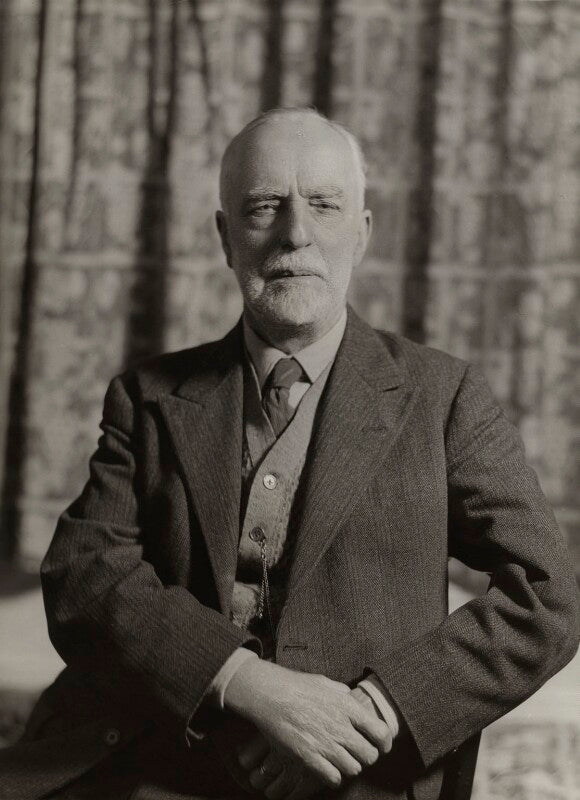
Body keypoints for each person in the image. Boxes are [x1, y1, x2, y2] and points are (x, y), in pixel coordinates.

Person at [1, 108, 578, 800]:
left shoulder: (444, 397)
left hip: (359, 772)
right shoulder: (147, 395)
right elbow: (84, 575)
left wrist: (367, 716)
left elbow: (548, 594)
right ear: (226, 238)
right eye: (264, 206)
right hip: (157, 755)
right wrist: (247, 683)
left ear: (361, 233)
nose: (295, 233)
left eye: (324, 205)